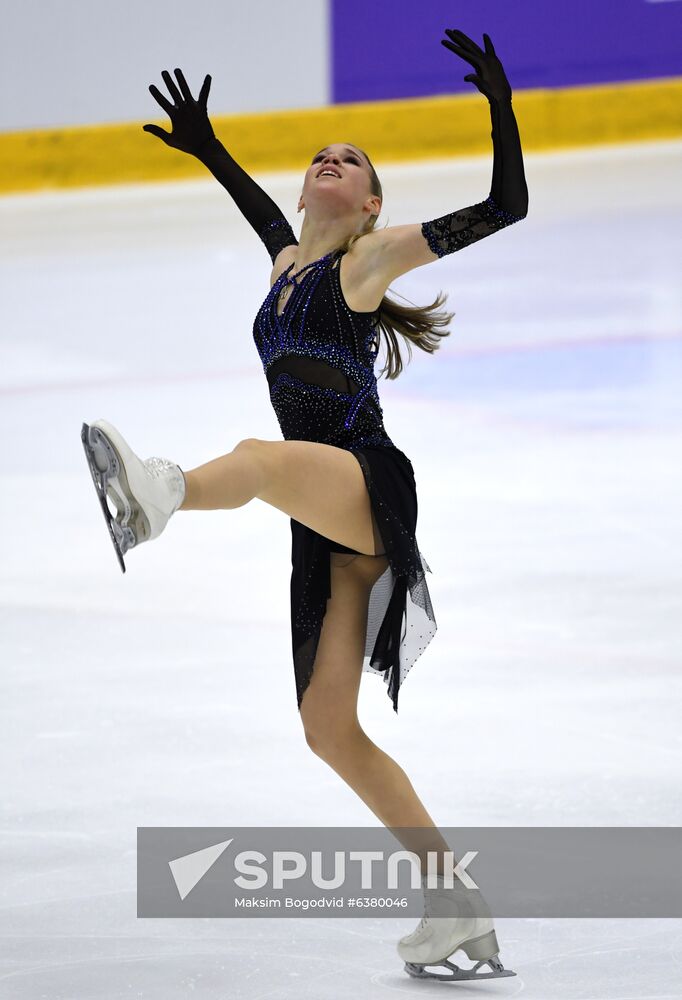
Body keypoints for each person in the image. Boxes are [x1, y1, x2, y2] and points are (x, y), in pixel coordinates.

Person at [81, 26, 528, 982]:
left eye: (352, 163)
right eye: (319, 158)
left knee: (253, 455)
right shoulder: (287, 265)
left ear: (371, 206)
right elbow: (258, 213)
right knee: (328, 728)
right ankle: (456, 904)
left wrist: (499, 105)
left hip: (366, 479)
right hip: (317, 514)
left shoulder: (363, 267)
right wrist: (209, 149)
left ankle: (158, 494)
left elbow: (507, 206)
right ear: (306, 193)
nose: (331, 162)